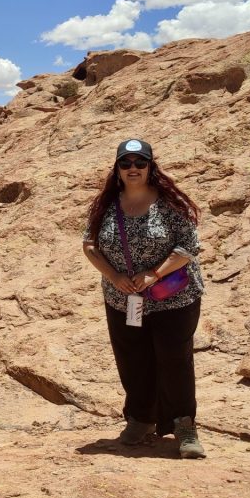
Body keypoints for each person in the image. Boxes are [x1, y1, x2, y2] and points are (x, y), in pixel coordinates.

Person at [82, 139, 206, 459]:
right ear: (117, 169)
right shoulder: (106, 206)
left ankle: (184, 426)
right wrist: (114, 277)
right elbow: (90, 246)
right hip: (124, 299)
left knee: (174, 360)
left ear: (151, 167)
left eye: (140, 162)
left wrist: (154, 273)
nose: (133, 168)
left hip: (173, 298)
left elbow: (187, 247)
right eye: (126, 163)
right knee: (133, 360)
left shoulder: (170, 204)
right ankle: (140, 419)